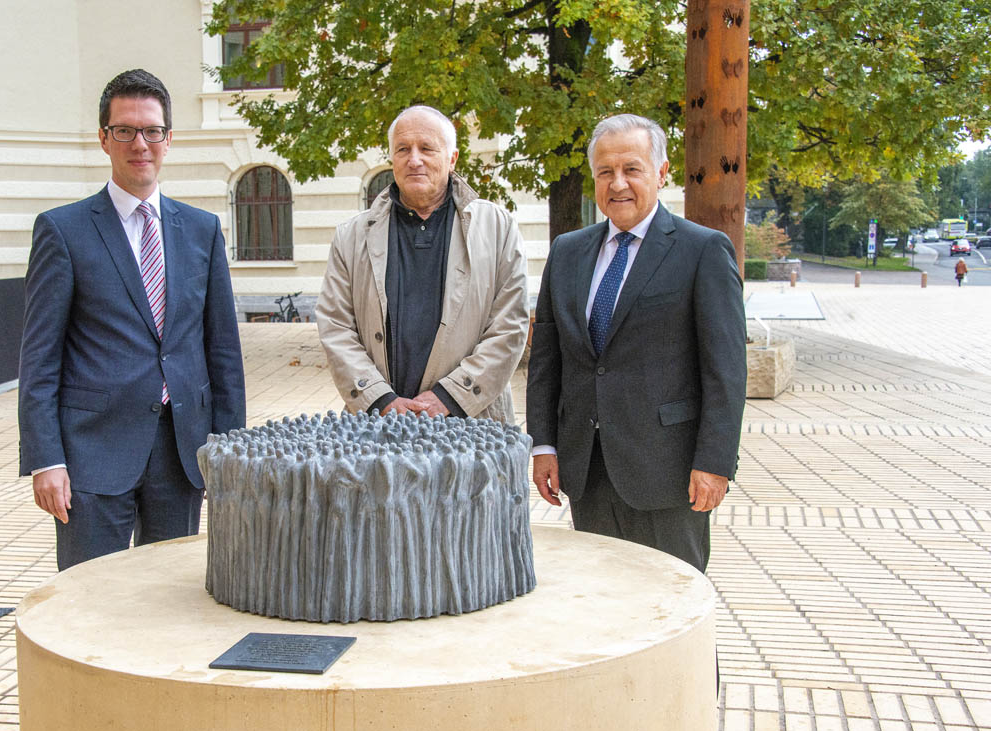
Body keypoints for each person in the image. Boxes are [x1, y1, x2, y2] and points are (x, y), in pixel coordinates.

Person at [18, 69, 246, 570]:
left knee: (167, 598)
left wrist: (232, 453)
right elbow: (39, 358)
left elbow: (223, 350)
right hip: (91, 455)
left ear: (169, 139)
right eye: (125, 130)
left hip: (183, 452)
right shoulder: (63, 230)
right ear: (104, 138)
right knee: (87, 599)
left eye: (152, 131)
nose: (139, 143)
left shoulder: (202, 230)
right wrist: (45, 459)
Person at [526, 113, 747, 573]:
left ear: (662, 173)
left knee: (673, 605)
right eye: (606, 171)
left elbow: (725, 369)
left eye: (632, 169)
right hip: (586, 469)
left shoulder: (702, 250)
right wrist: (543, 445)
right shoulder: (568, 251)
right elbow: (548, 359)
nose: (618, 183)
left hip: (669, 472)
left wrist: (715, 462)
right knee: (602, 601)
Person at [315, 106, 529, 424]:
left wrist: (449, 396)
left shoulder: (497, 228)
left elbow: (509, 327)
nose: (414, 160)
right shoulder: (352, 236)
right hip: (378, 424)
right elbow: (336, 326)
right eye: (403, 149)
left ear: (452, 158)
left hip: (473, 422)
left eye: (427, 148)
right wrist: (380, 398)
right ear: (392, 159)